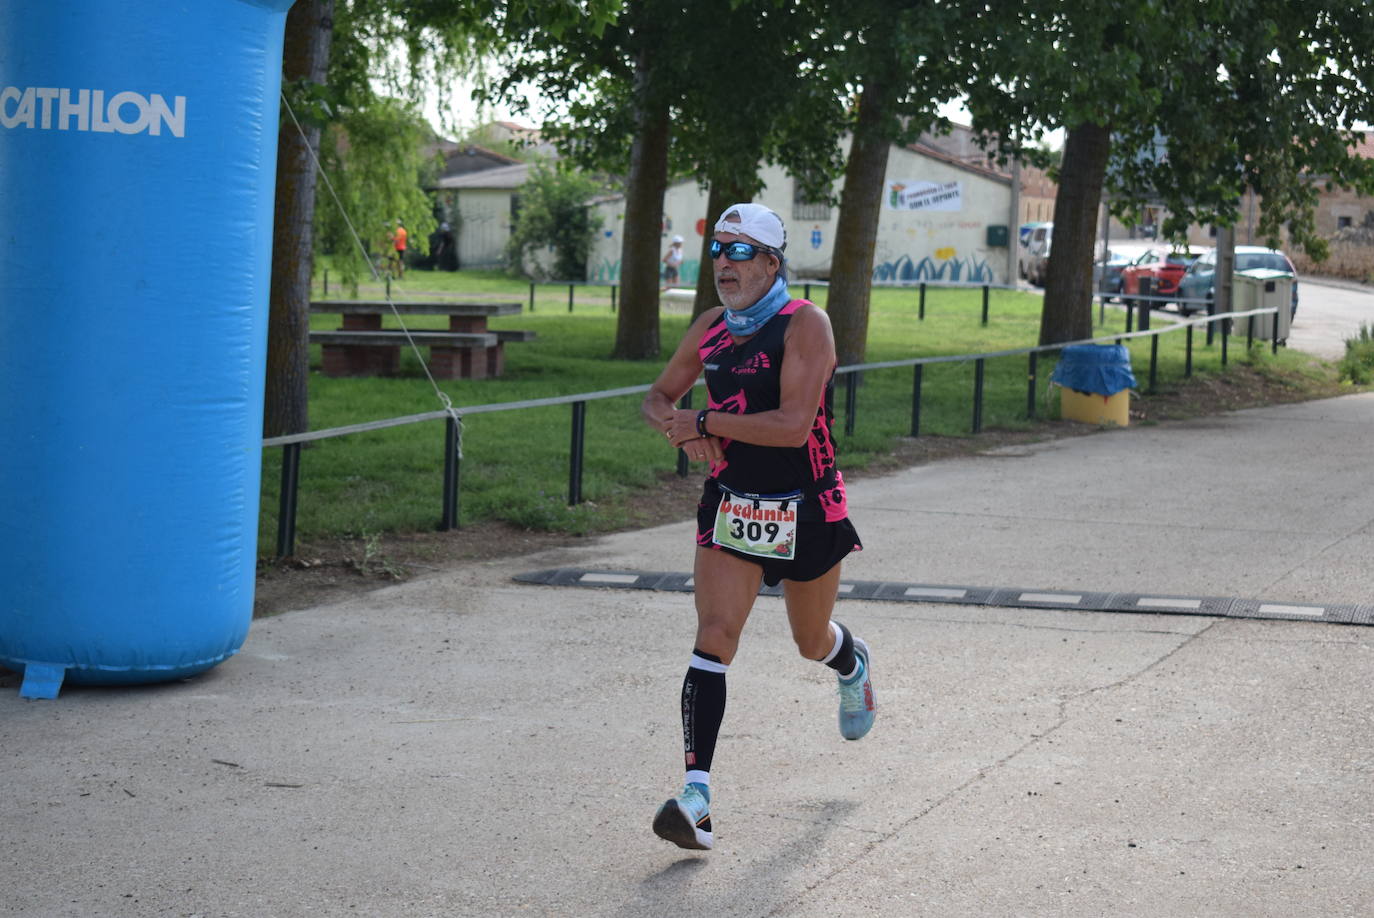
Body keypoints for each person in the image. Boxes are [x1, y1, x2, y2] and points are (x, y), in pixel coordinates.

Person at [641, 203, 874, 851]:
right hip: (733, 501)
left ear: (772, 263)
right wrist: (677, 428)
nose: (724, 262)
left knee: (809, 639)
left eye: (740, 251)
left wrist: (705, 422)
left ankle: (850, 661)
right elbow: (657, 397)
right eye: (718, 249)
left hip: (806, 503)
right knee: (715, 635)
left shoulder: (806, 324)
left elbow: (793, 426)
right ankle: (696, 800)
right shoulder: (711, 327)